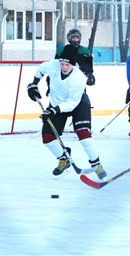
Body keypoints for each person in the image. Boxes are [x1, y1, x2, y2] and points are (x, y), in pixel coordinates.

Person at [27, 44, 107, 179]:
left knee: (83, 133)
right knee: (47, 137)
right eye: (62, 63)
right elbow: (40, 69)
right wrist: (33, 84)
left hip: (78, 104)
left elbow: (71, 104)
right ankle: (64, 159)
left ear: (74, 65)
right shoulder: (53, 65)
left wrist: (53, 110)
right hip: (56, 104)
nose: (64, 67)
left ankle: (97, 164)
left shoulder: (79, 78)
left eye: (67, 65)